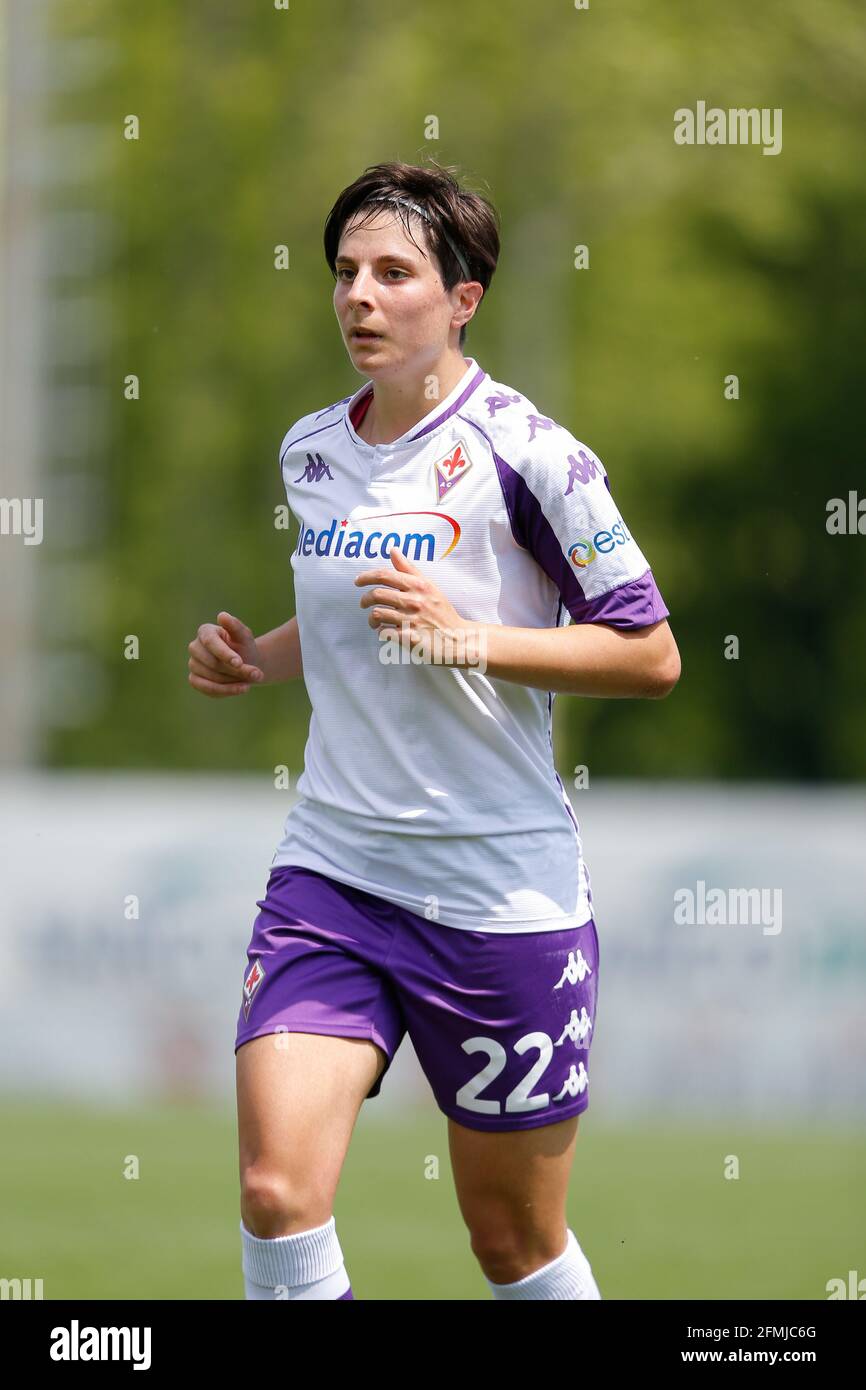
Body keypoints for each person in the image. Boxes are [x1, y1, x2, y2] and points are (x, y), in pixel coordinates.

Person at [187, 159, 680, 1301]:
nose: (359, 294)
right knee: (275, 1192)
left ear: (462, 299)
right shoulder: (311, 450)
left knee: (510, 1241)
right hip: (334, 873)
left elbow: (647, 652)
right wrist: (256, 657)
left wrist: (470, 639)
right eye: (345, 272)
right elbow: (357, 610)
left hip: (499, 891)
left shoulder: (532, 455)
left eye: (393, 273)